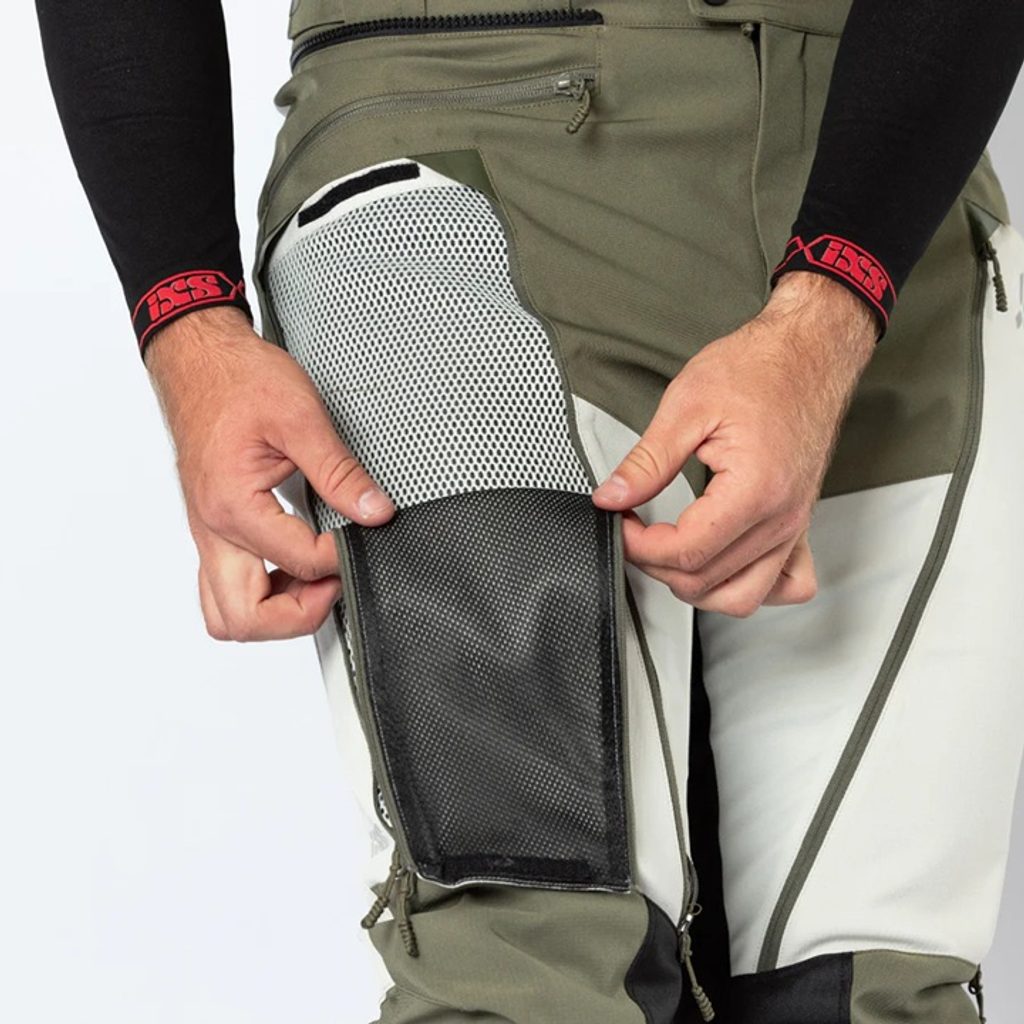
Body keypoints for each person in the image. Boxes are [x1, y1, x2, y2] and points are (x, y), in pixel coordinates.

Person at [36, 1, 1024, 1021]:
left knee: (872, 982)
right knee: (521, 950)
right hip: (450, 170)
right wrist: (188, 325)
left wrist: (828, 312)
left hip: (890, 168)